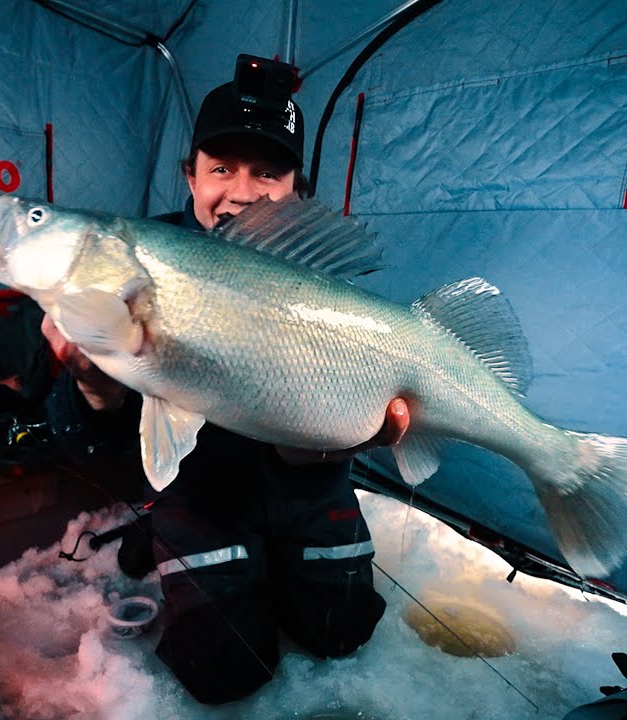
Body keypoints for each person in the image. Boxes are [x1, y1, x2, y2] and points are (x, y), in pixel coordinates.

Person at [41, 68, 409, 704]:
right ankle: (152, 540)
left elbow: (366, 404)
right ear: (191, 175)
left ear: (297, 189)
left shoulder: (328, 283)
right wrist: (96, 394)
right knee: (222, 676)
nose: (240, 192)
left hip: (306, 488)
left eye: (267, 172)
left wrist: (339, 445)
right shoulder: (124, 264)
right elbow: (87, 452)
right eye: (222, 168)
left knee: (342, 635)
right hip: (201, 498)